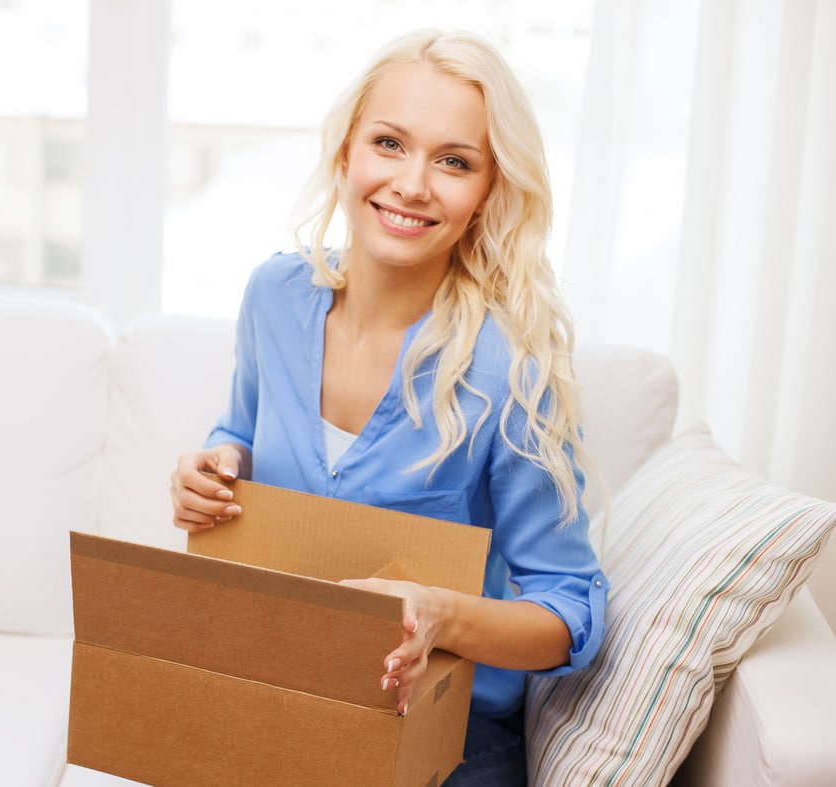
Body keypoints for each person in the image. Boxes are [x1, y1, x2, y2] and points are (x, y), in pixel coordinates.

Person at [171, 28, 608, 786]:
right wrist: (218, 464)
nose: (412, 184)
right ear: (346, 154)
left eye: (453, 161)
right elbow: (239, 428)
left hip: (443, 736)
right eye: (388, 143)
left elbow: (569, 612)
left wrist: (440, 612)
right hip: (282, 699)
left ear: (487, 192)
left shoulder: (509, 368)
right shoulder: (274, 297)